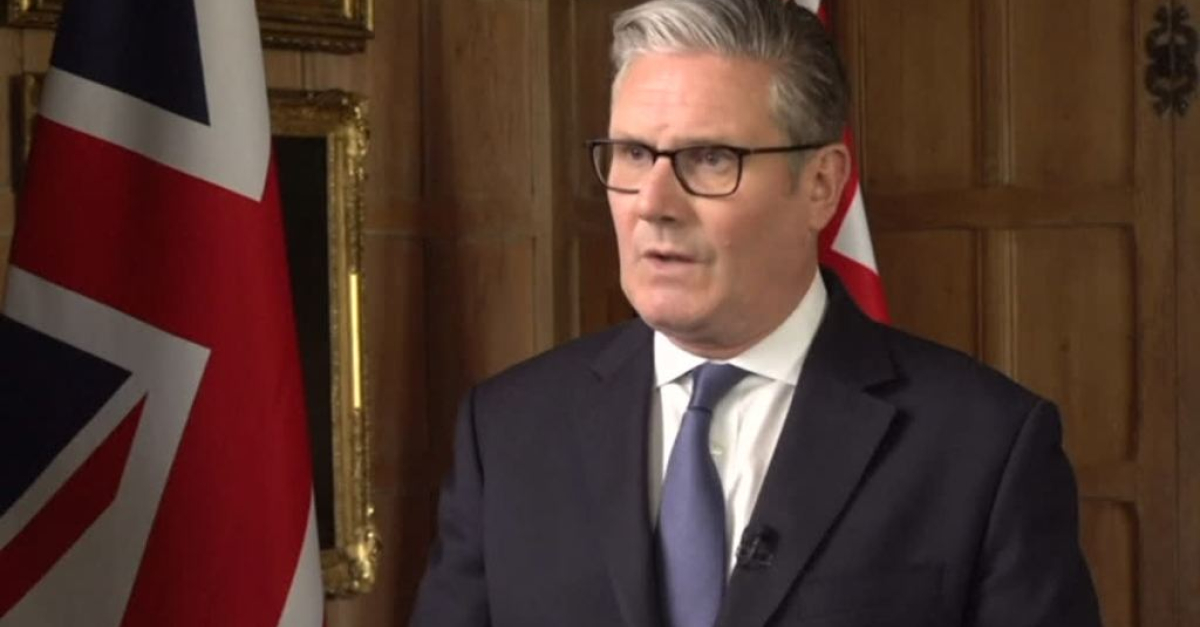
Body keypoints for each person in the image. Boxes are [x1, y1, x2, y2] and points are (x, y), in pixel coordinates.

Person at [409, 0, 1102, 625]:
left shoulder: (983, 446)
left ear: (821, 185)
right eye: (634, 154)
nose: (654, 203)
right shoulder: (509, 431)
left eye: (711, 158)